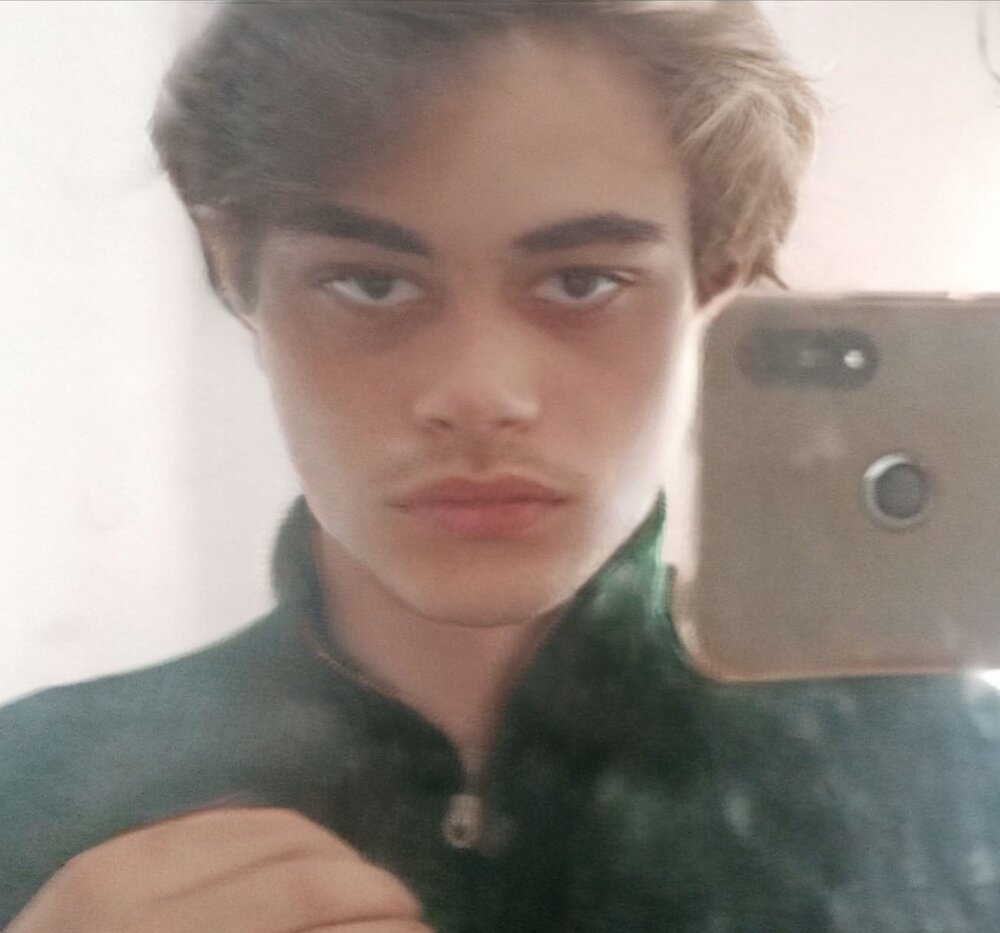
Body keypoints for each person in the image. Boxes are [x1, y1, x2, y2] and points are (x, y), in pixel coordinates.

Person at [4, 1, 1000, 930]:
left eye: (582, 281)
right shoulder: (31, 789)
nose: (479, 394)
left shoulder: (957, 784)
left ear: (716, 279)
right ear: (237, 273)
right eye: (370, 283)